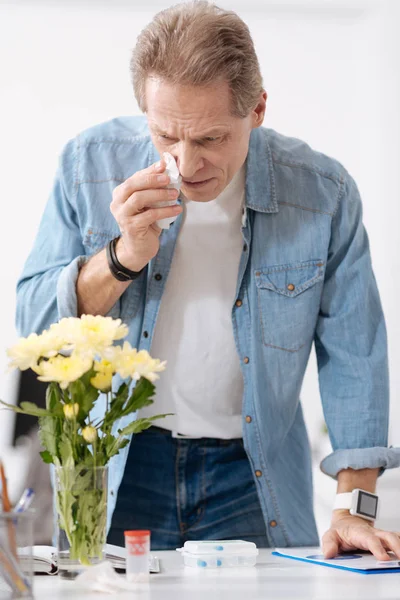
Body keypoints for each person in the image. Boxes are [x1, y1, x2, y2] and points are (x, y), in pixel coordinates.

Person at [16, 1, 400, 557]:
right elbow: (34, 328)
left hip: (251, 471)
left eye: (211, 139)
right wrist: (123, 257)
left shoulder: (322, 195)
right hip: (122, 462)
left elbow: (355, 353)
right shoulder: (88, 164)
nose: (185, 162)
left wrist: (354, 508)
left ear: (258, 108)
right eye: (165, 135)